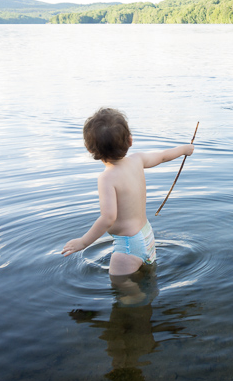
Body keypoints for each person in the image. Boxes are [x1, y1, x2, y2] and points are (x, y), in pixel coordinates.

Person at [62, 108, 195, 277]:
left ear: (90, 150)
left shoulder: (106, 178)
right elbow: (162, 156)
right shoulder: (137, 160)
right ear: (130, 140)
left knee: (125, 294)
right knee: (146, 282)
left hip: (128, 245)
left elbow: (108, 218)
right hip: (146, 235)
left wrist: (83, 241)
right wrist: (184, 149)